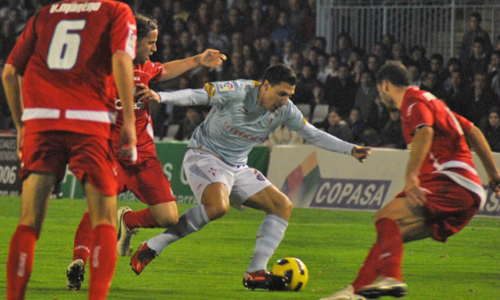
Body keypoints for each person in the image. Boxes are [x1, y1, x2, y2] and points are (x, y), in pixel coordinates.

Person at [129, 64, 371, 291]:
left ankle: (255, 271)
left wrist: (350, 149)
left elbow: (314, 135)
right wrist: (162, 96)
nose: (285, 100)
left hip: (237, 166)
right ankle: (153, 246)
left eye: (289, 95)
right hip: (205, 155)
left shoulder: (285, 110)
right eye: (282, 94)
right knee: (217, 207)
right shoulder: (238, 91)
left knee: (282, 206)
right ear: (265, 85)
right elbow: (198, 95)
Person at [66, 14, 226, 291]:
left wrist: (198, 59)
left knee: (168, 217)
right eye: (150, 42)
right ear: (132, 40)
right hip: (111, 154)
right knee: (98, 209)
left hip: (144, 158)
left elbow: (164, 70)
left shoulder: (144, 68)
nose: (154, 47)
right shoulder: (105, 68)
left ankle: (127, 220)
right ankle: (78, 262)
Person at [320, 61, 500, 300]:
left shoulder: (412, 102)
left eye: (379, 90)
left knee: (385, 217)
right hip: (468, 194)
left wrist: (411, 175)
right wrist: (494, 175)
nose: (380, 97)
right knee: (392, 234)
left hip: (451, 181)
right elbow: (474, 132)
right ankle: (354, 292)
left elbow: (425, 131)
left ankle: (392, 277)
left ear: (385, 85)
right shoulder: (432, 102)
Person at [3, 1, 138, 300]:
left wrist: (23, 126)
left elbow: (10, 73)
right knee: (104, 218)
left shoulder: (45, 14)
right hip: (89, 121)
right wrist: (128, 119)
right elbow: (120, 60)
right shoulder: (116, 10)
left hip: (41, 121)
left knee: (28, 222)